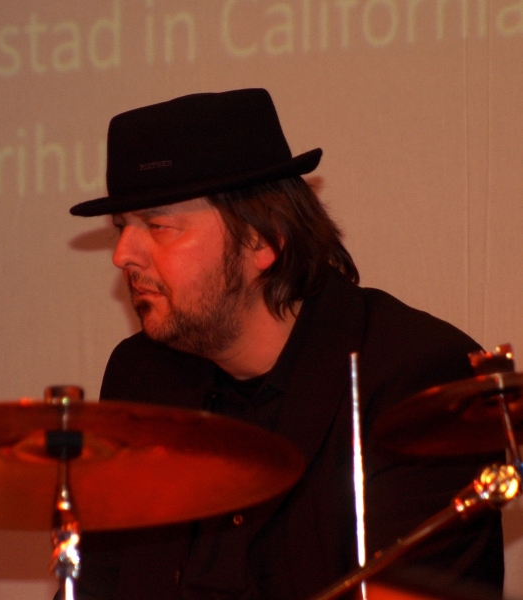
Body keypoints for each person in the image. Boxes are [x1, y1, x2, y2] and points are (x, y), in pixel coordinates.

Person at [68, 88, 504, 599]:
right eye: (122, 227)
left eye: (157, 226)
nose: (122, 254)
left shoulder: (413, 375)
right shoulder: (141, 375)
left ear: (264, 239)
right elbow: (98, 584)